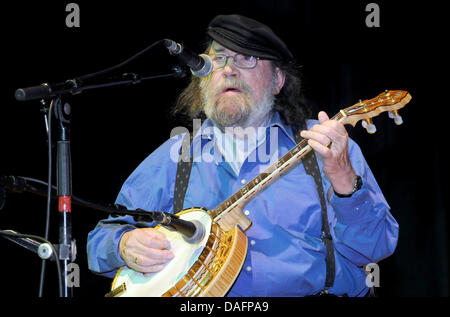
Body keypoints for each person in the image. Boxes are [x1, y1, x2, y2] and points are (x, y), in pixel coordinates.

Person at [87, 14, 399, 297]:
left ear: (277, 80)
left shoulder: (326, 145)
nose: (228, 70)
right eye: (217, 58)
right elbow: (99, 241)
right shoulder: (173, 159)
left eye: (246, 58)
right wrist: (124, 246)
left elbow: (376, 247)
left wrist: (344, 178)